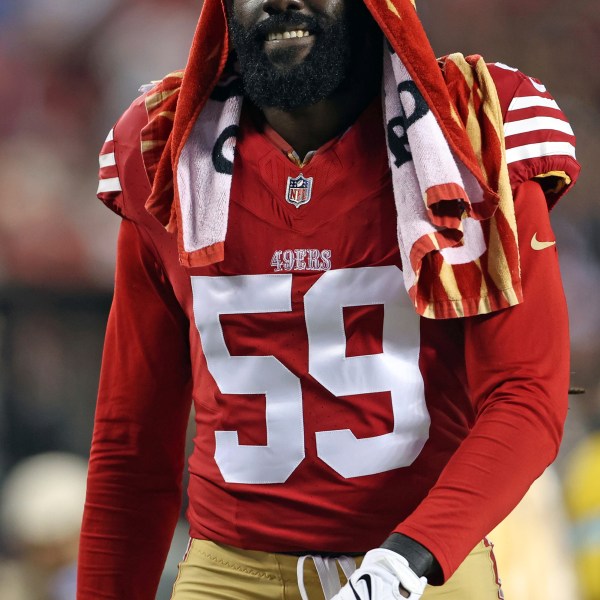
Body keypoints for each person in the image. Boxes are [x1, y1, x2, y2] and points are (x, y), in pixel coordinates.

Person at [77, 0, 580, 598]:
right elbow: (132, 442)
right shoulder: (164, 147)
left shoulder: (470, 128)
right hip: (231, 573)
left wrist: (404, 563)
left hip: (421, 562)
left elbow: (526, 395)